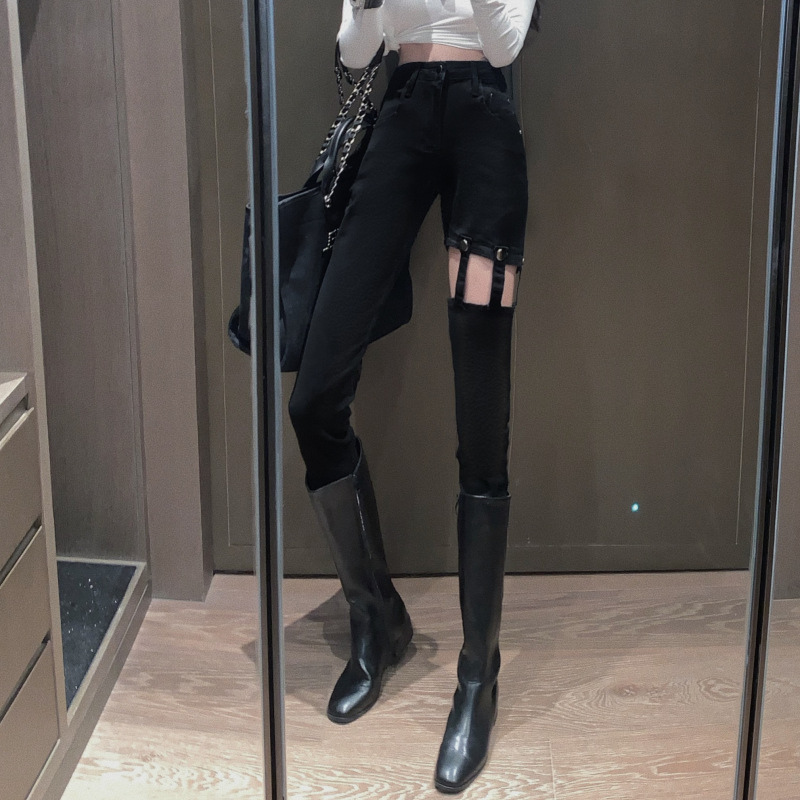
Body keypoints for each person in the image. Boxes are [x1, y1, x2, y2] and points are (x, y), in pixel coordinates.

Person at [287, 0, 537, 792]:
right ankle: (377, 622)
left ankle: (477, 675)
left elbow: (504, 42)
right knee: (314, 398)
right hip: (399, 117)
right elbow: (356, 50)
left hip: (486, 119)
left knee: (482, 419)